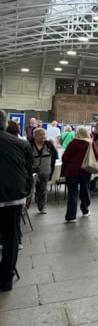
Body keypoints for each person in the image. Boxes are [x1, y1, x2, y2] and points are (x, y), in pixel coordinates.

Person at [0, 109, 32, 292]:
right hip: (14, 196)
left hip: (13, 193)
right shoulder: (21, 144)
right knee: (11, 237)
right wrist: (25, 193)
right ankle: (6, 278)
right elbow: (29, 171)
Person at [61, 126, 98, 222]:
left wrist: (66, 167)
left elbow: (65, 158)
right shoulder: (90, 143)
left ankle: (71, 216)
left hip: (71, 171)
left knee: (72, 193)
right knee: (85, 190)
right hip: (85, 171)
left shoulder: (72, 143)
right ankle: (85, 210)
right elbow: (97, 156)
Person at [29, 127, 58, 214]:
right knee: (29, 190)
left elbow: (55, 155)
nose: (43, 136)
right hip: (32, 172)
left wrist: (51, 168)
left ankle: (42, 207)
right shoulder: (29, 145)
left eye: (44, 134)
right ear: (34, 136)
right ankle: (25, 207)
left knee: (43, 190)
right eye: (40, 135)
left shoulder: (49, 145)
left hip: (45, 170)